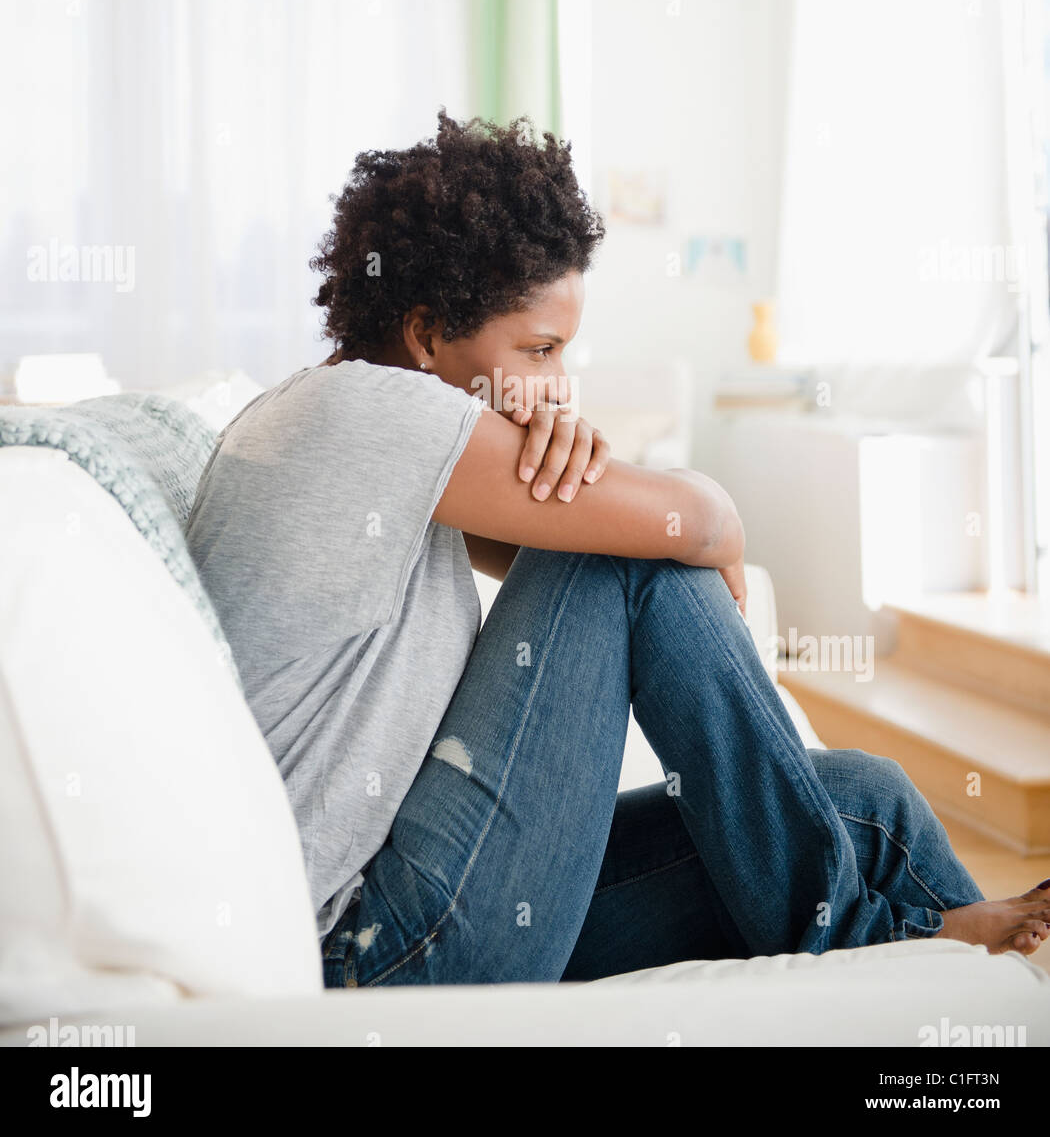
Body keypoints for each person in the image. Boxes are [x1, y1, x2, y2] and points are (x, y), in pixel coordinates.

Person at [184, 108, 1050, 989]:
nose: (560, 383)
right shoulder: (368, 415)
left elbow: (595, 554)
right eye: (540, 348)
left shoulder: (337, 420)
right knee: (618, 556)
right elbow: (670, 531)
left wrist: (616, 478)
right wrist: (719, 515)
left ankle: (972, 1025)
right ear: (427, 334)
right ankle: (864, 947)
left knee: (872, 803)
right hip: (378, 949)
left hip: (435, 894)